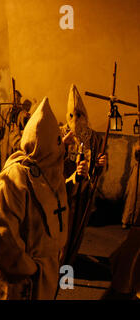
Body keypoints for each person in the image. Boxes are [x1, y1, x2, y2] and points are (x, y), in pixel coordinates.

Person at [0, 97, 69, 300]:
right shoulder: (13, 178)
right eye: (57, 144)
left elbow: (52, 203)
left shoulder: (48, 171)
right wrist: (27, 268)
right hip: (21, 282)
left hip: (46, 274)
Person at [60, 84, 107, 265]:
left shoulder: (94, 138)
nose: (75, 119)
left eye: (79, 115)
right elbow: (51, 160)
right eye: (72, 115)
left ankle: (70, 260)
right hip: (64, 190)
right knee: (62, 228)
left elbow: (97, 166)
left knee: (77, 229)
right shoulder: (61, 134)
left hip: (83, 193)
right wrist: (62, 145)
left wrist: (100, 165)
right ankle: (58, 261)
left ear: (85, 115)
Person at [0, 90, 27, 179]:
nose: (14, 101)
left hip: (14, 144)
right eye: (13, 98)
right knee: (2, 164)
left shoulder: (21, 112)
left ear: (19, 100)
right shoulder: (5, 111)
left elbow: (24, 121)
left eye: (17, 99)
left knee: (13, 166)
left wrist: (25, 116)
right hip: (4, 144)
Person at [121, 145, 140, 229]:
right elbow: (136, 157)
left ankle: (136, 220)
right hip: (137, 172)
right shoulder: (137, 145)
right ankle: (127, 220)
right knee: (132, 196)